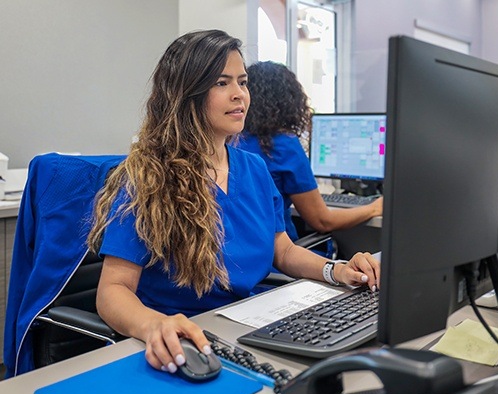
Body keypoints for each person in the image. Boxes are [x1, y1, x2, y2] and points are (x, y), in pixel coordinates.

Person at [87, 30, 380, 376]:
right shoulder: (149, 177)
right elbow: (112, 291)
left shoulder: (252, 167)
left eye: (243, 82)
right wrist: (152, 326)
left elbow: (282, 251)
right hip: (185, 339)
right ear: (187, 93)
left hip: (249, 329)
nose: (239, 94)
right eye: (222, 83)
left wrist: (336, 270)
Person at [238, 61, 383, 243]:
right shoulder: (283, 146)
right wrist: (375, 208)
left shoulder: (233, 141)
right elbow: (322, 221)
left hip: (243, 256)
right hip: (280, 257)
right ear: (288, 100)